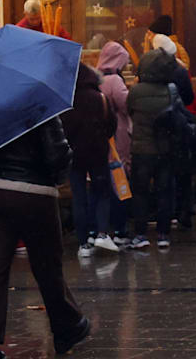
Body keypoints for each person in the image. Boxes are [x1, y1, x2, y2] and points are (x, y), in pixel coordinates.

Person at [0, 115, 89, 358]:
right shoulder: (39, 103)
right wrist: (63, 162)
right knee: (47, 264)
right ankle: (67, 327)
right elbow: (57, 156)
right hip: (32, 192)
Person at [61, 62, 118, 257]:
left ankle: (83, 243)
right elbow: (111, 125)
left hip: (74, 155)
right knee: (101, 191)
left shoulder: (66, 102)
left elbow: (61, 131)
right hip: (98, 152)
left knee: (79, 197)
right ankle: (101, 232)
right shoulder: (100, 99)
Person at [127, 48, 180, 249]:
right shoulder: (171, 90)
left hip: (141, 149)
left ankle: (140, 234)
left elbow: (129, 110)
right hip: (164, 149)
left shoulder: (135, 91)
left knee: (140, 192)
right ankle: (163, 234)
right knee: (164, 191)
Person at [152, 33, 196, 229]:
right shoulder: (179, 70)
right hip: (179, 127)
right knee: (183, 172)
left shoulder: (151, 71)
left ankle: (166, 213)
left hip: (160, 128)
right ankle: (183, 211)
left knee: (165, 173)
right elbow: (188, 97)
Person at [96, 41, 133, 243]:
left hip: (100, 137)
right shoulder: (114, 81)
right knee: (119, 181)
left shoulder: (97, 78)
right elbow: (126, 105)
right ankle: (120, 229)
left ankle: (100, 229)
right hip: (117, 135)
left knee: (102, 185)